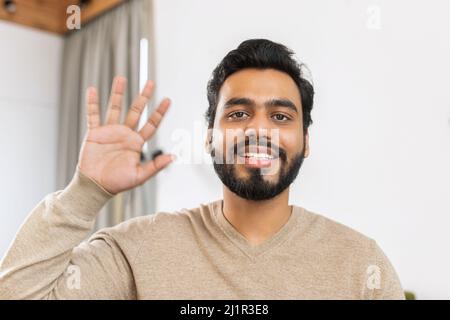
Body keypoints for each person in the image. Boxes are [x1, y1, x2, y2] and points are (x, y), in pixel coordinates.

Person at [0, 39, 404, 299]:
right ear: (209, 137)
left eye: (281, 117)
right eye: (239, 113)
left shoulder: (360, 264)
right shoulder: (136, 251)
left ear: (306, 141)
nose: (259, 130)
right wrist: (86, 192)